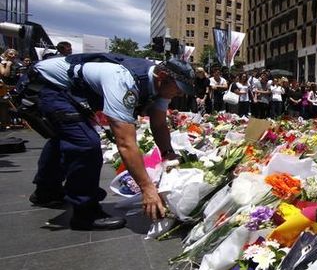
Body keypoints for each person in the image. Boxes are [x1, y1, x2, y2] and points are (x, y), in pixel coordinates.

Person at [28, 54, 194, 230]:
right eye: (178, 88)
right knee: (85, 143)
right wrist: (147, 188)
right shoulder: (123, 81)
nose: (181, 94)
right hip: (49, 86)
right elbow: (125, 142)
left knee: (66, 136)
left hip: (71, 91)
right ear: (161, 77)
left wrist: (168, 154)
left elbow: (159, 124)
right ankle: (85, 213)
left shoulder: (160, 85)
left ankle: (46, 192)